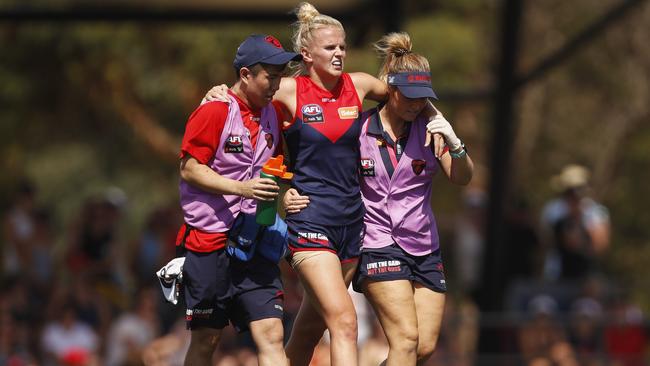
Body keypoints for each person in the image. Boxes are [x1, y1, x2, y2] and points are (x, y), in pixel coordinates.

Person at [287, 32, 474, 365]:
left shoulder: (431, 129)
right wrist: (288, 189)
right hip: (375, 243)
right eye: (410, 96)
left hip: (424, 245)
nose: (417, 104)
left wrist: (455, 142)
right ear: (391, 89)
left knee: (424, 347)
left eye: (423, 97)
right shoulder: (358, 129)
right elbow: (314, 158)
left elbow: (462, 177)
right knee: (405, 338)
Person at [176, 34, 301, 366]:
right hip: (211, 243)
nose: (277, 83)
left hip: (257, 242)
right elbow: (189, 170)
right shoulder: (214, 111)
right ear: (246, 75)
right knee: (207, 340)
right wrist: (242, 188)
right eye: (270, 76)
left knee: (272, 333)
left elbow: (272, 172)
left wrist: (287, 198)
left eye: (280, 75)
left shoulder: (274, 113)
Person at [540, 164, 610, 281]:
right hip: (555, 273)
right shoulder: (552, 209)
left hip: (587, 275)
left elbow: (601, 245)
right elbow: (545, 241)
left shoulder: (595, 211)